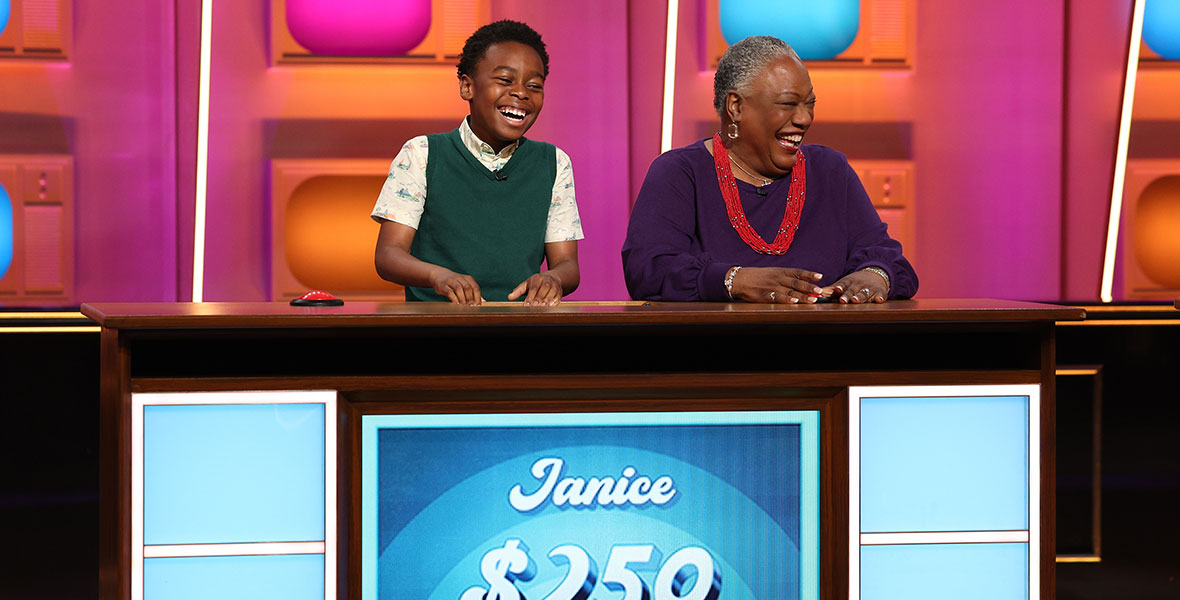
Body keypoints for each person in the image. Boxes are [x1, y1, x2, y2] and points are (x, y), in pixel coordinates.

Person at [622, 36, 917, 304]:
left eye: (810, 104)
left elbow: (889, 258)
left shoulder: (830, 170)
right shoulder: (679, 173)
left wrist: (876, 276)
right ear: (736, 107)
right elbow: (648, 269)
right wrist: (735, 280)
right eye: (788, 104)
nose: (804, 119)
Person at [372, 20, 582, 305]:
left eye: (534, 85)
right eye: (505, 80)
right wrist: (439, 277)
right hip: (436, 325)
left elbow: (567, 265)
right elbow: (388, 255)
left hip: (519, 325)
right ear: (467, 86)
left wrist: (553, 279)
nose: (521, 92)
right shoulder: (421, 153)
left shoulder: (554, 162)